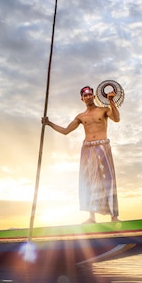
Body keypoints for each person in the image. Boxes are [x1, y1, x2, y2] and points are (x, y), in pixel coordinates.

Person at [42, 85, 120, 223]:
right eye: (85, 95)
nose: (88, 97)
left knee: (108, 180)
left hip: (103, 147)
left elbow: (116, 118)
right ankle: (91, 217)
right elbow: (66, 131)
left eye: (90, 94)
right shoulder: (81, 116)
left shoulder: (104, 110)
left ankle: (114, 216)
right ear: (82, 99)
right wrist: (49, 123)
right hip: (87, 149)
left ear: (94, 96)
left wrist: (111, 101)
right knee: (89, 181)